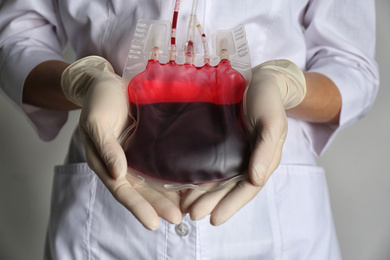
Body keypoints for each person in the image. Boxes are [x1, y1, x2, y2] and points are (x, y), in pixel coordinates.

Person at [0, 0, 379, 259]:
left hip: (273, 222)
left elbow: (351, 67)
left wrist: (284, 85)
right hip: (110, 211)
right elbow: (17, 36)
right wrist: (81, 81)